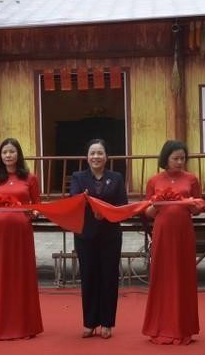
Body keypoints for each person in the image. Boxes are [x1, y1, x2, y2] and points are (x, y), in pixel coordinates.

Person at [142, 140, 202, 345]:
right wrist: (157, 205)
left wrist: (192, 204)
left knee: (184, 275)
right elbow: (148, 212)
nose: (179, 162)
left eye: (182, 158)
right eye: (175, 158)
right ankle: (160, 326)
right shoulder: (154, 180)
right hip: (162, 232)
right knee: (162, 275)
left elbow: (196, 210)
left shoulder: (191, 179)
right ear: (165, 158)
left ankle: (184, 327)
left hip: (184, 232)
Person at [0, 138, 43, 340]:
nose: (8, 155)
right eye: (5, 152)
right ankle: (1, 325)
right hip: (0, 233)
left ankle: (26, 325)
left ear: (18, 154)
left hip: (21, 233)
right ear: (0, 156)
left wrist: (34, 213)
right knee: (1, 276)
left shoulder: (30, 178)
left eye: (12, 151)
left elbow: (37, 205)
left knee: (22, 275)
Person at [70, 139, 127, 339]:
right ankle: (89, 322)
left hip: (110, 233)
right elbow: (74, 200)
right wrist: (88, 204)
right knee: (89, 277)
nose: (96, 157)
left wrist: (106, 213)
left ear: (106, 156)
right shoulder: (78, 177)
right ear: (87, 157)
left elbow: (122, 205)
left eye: (100, 153)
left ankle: (107, 323)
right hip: (86, 234)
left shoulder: (116, 177)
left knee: (109, 278)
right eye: (92, 153)